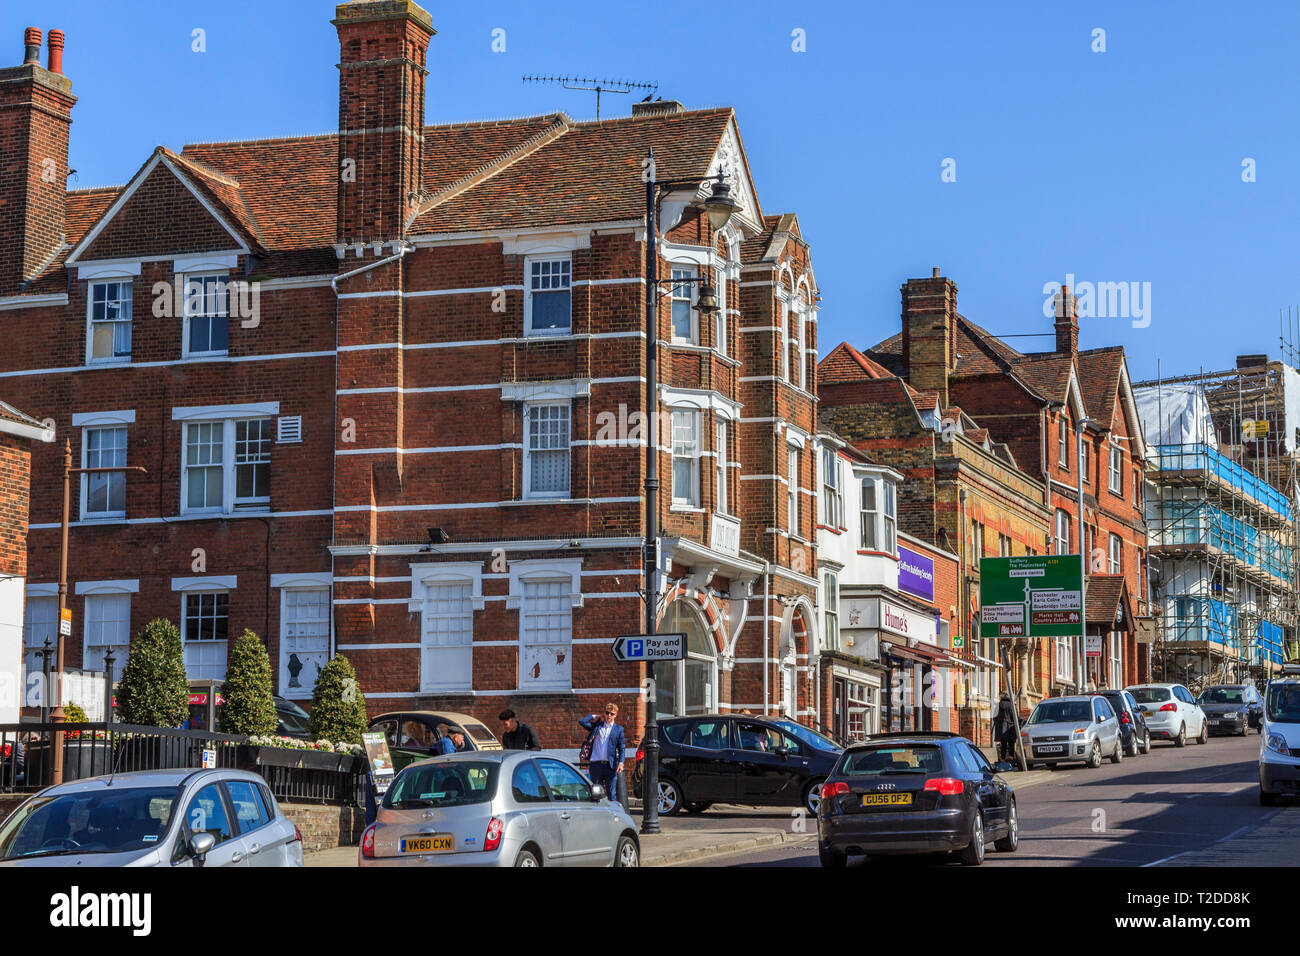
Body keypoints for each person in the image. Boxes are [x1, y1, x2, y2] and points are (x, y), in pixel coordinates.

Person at [579, 703, 626, 803]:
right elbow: (582, 721)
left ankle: (613, 816)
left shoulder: (619, 730)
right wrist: (595, 716)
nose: (609, 715)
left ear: (615, 715)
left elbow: (622, 748)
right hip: (596, 765)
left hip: (610, 766)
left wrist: (621, 763)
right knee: (596, 794)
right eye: (607, 713)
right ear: (604, 713)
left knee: (611, 794)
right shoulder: (597, 726)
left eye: (612, 714)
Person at [993, 692, 1017, 763]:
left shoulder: (999, 705)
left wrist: (998, 723)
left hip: (1001, 727)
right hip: (1010, 727)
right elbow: (1014, 717)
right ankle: (1011, 757)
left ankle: (1002, 759)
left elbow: (994, 716)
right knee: (1011, 743)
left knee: (1003, 744)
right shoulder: (1012, 705)